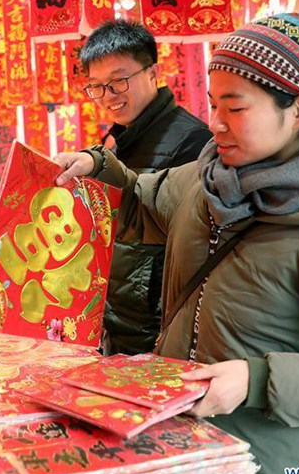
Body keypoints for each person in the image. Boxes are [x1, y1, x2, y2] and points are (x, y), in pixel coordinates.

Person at [55, 13, 299, 474]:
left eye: (236, 108)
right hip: (179, 443)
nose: (216, 125)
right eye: (212, 105)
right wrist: (98, 165)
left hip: (266, 469)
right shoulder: (205, 182)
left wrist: (257, 378)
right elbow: (146, 192)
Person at [80, 20, 211, 356]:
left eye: (119, 81)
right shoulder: (115, 141)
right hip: (118, 318)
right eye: (96, 86)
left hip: (158, 325)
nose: (108, 96)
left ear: (152, 72)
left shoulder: (192, 140)